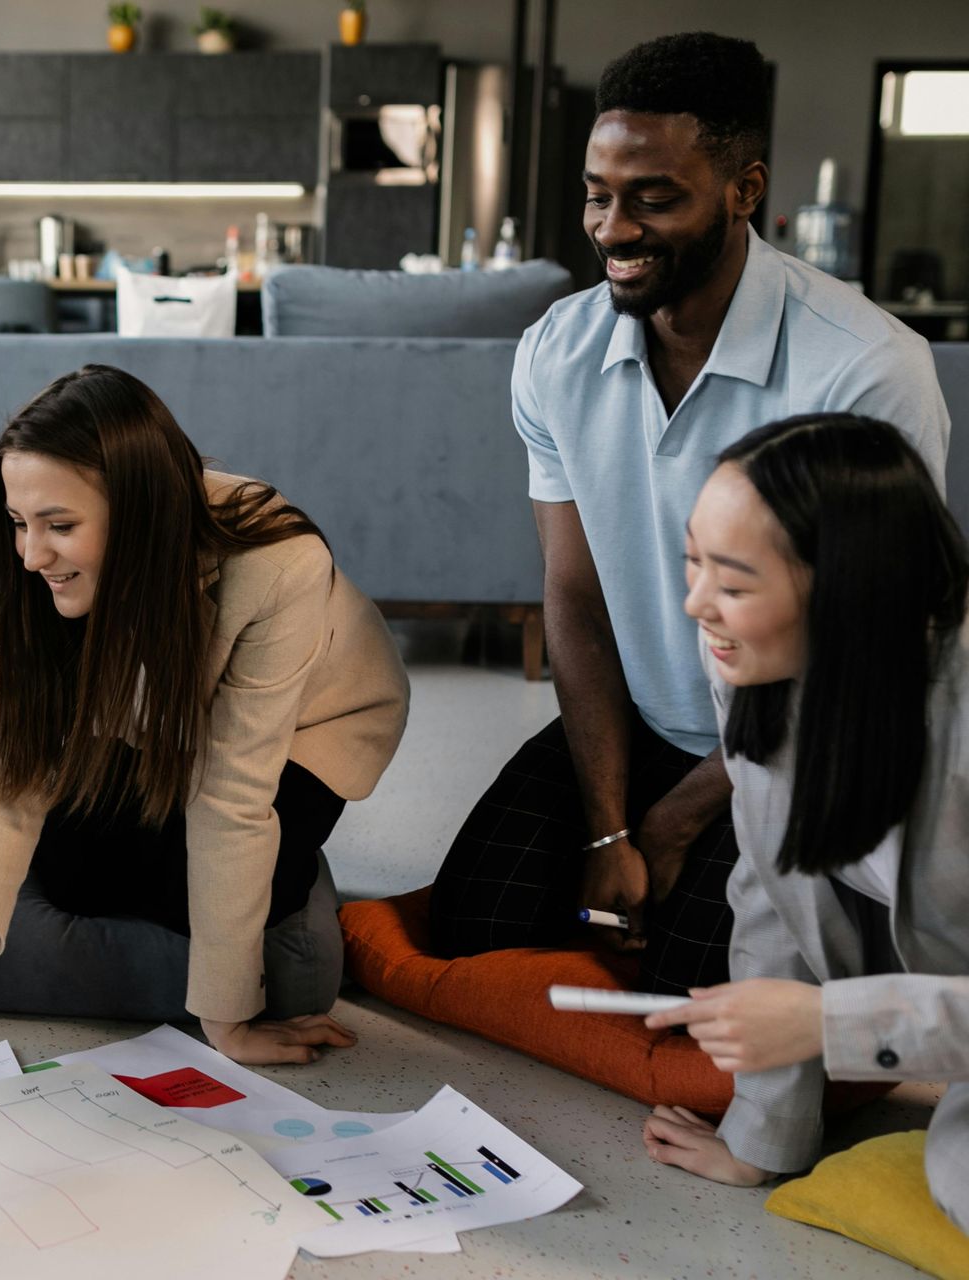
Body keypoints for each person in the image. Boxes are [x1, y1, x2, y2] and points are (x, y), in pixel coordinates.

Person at [428, 31, 949, 994]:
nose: (613, 228)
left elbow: (859, 643)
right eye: (597, 193)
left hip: (794, 742)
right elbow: (574, 595)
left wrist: (666, 829)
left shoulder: (866, 367)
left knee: (694, 991)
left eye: (653, 198)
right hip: (634, 724)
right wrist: (608, 824)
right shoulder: (555, 351)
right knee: (468, 935)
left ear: (745, 189)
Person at [0, 365, 410, 1082]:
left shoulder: (280, 565)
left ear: (134, 512)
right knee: (73, 869)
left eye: (60, 526)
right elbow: (9, 775)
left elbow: (233, 795)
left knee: (210, 880)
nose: (30, 555)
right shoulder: (41, 573)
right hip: (161, 717)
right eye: (19, 523)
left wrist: (226, 1020)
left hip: (306, 728)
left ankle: (296, 879)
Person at [637, 413, 968, 1230]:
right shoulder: (761, 664)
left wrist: (832, 1024)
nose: (694, 604)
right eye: (692, 562)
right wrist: (762, 1137)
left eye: (735, 584)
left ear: (850, 591)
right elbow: (771, 889)